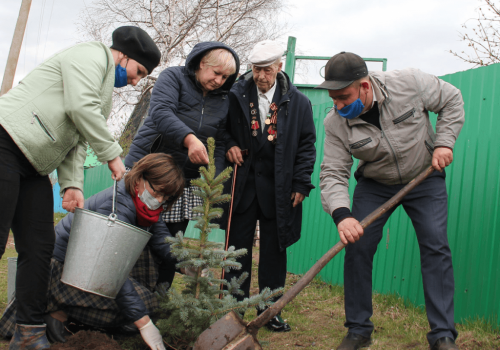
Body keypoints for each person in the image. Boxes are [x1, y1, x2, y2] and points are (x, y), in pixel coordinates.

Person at [0, 26, 161, 349]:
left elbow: (77, 137)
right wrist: (114, 156)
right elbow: (80, 109)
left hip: (34, 167)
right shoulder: (88, 56)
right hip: (6, 142)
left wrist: (72, 185)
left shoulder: (101, 92)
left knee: (39, 247)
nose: (134, 81)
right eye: (137, 72)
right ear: (123, 55)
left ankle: (28, 333)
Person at [316, 52, 465, 350]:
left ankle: (443, 335)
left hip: (425, 176)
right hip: (376, 184)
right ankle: (359, 330)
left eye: (344, 97)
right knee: (357, 246)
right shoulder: (335, 123)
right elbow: (333, 172)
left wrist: (444, 142)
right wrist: (342, 215)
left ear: (365, 85)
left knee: (436, 245)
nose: (339, 105)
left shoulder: (409, 83)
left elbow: (452, 99)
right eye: (334, 98)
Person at [0, 153, 184, 350]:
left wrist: (187, 262)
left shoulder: (141, 205)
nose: (158, 200)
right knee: (146, 307)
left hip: (88, 269)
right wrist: (144, 322)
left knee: (146, 301)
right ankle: (57, 312)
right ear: (140, 178)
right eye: (157, 192)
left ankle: (63, 314)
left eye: (166, 197)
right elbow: (111, 272)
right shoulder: (118, 205)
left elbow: (162, 241)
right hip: (63, 271)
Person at [124, 42, 240, 284]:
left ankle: (160, 297)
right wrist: (190, 140)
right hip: (149, 170)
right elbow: (161, 112)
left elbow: (217, 142)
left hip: (183, 181)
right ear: (201, 64)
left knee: (172, 240)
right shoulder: (173, 77)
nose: (219, 80)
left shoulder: (224, 99)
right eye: (216, 73)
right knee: (135, 235)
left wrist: (214, 176)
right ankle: (126, 297)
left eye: (225, 77)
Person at [224, 40, 316, 332]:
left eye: (266, 69)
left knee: (275, 251)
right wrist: (229, 145)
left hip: (280, 188)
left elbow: (306, 145)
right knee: (236, 249)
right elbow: (221, 129)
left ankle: (270, 310)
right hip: (243, 186)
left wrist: (301, 182)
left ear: (279, 67)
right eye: (256, 69)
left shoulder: (299, 102)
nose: (261, 76)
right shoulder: (236, 94)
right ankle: (232, 310)